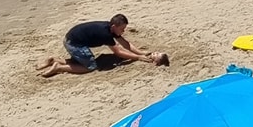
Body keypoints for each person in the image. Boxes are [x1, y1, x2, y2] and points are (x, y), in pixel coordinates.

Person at [38, 15, 169, 78]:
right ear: (114, 26)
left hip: (72, 37)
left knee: (82, 59)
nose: (123, 31)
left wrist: (140, 52)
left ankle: (54, 60)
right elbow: (118, 52)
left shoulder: (111, 28)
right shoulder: (105, 33)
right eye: (122, 29)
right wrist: (138, 58)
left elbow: (125, 44)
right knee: (90, 67)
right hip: (74, 43)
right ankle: (59, 67)